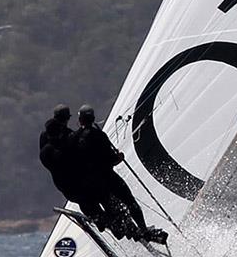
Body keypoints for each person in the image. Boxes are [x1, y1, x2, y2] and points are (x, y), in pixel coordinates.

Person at [40, 103, 167, 244]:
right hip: (92, 184)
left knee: (107, 211)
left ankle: (123, 229)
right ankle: (138, 230)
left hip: (80, 187)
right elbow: (104, 159)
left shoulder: (54, 143)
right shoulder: (76, 138)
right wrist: (118, 158)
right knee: (125, 203)